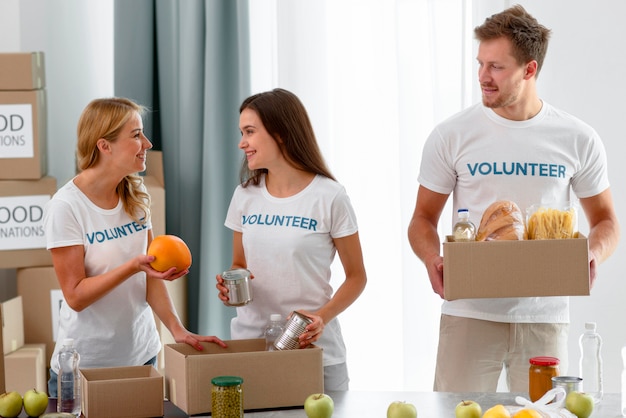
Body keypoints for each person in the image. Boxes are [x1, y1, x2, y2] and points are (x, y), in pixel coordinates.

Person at [407, 5, 619, 393]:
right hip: (470, 312)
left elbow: (606, 220)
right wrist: (431, 257)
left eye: (496, 67)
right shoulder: (452, 134)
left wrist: (592, 253)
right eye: (480, 63)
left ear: (530, 69)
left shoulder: (577, 137)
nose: (482, 77)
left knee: (544, 413)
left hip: (544, 317)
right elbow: (422, 218)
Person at [44, 97, 227, 396]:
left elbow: (150, 277)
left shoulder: (135, 191)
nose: (148, 142)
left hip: (142, 357)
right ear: (105, 146)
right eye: (136, 135)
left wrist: (176, 328)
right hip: (86, 369)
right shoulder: (66, 207)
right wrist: (131, 267)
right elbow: (75, 296)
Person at [215, 88, 367, 391]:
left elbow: (357, 277)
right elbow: (239, 263)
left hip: (313, 352)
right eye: (241, 132)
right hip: (251, 347)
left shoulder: (329, 196)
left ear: (281, 133)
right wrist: (230, 283)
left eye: (249, 132)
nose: (241, 142)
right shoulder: (244, 195)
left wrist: (321, 318)